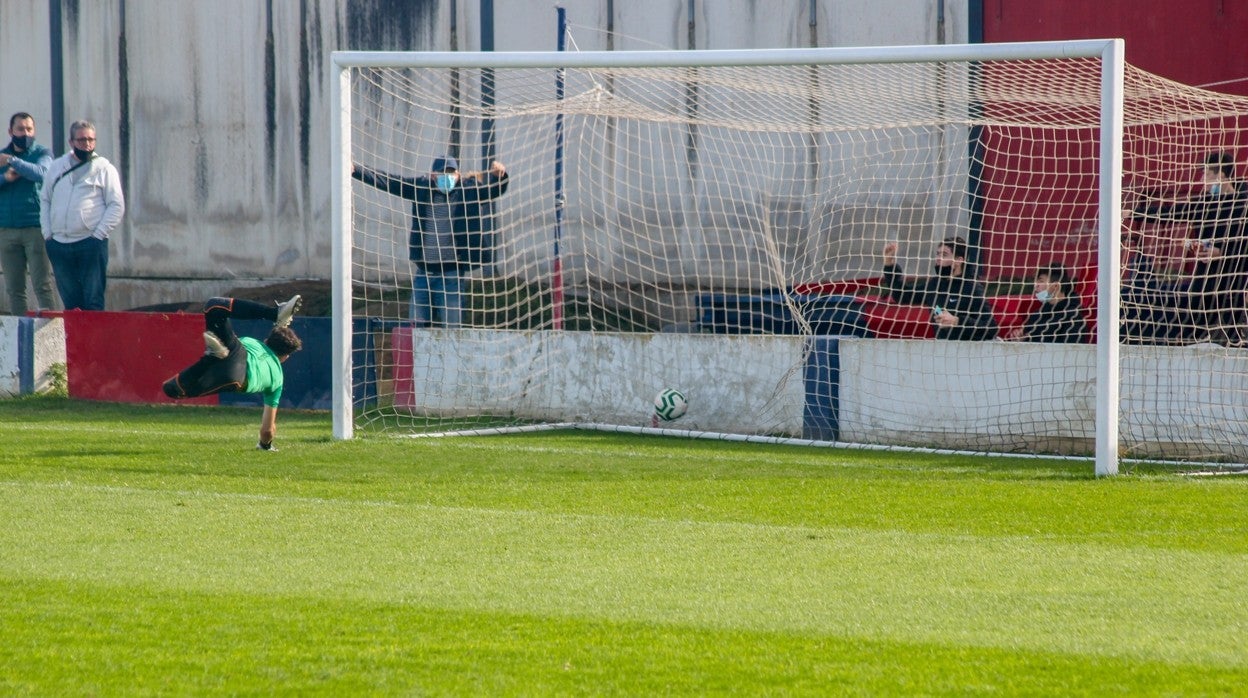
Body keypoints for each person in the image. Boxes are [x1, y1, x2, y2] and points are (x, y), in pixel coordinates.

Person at [352, 155, 510, 327]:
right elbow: (390, 182)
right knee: (417, 328)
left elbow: (492, 191)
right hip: (424, 274)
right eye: (442, 173)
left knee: (452, 329)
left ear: (458, 174)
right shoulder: (421, 188)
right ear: (433, 175)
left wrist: (499, 177)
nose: (447, 177)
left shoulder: (468, 190)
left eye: (451, 173)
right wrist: (357, 170)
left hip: (451, 274)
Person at [1132, 151, 1248, 345]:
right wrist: (1133, 213)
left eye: (1205, 173)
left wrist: (1222, 253)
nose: (1202, 179)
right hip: (1203, 281)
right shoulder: (1204, 204)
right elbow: (1170, 213)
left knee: (1231, 333)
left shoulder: (1243, 206)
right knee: (1189, 323)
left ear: (1220, 175)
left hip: (1232, 283)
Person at [162, 295, 303, 450]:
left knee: (214, 306)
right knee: (172, 389)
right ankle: (213, 356)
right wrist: (265, 445)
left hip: (235, 353)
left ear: (266, 341)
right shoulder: (278, 378)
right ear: (286, 357)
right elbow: (267, 430)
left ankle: (273, 314)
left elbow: (229, 343)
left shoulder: (252, 341)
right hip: (236, 379)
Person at [39, 120, 125, 311]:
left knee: (93, 300)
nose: (86, 144)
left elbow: (116, 205)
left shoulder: (105, 169)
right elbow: (45, 200)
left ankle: (95, 341)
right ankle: (75, 342)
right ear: (71, 142)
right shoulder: (57, 167)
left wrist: (98, 235)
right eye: (81, 140)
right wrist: (48, 235)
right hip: (59, 244)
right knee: (71, 303)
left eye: (90, 140)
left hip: (90, 242)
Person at [880, 235, 999, 340]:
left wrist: (957, 321)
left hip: (969, 354)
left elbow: (991, 327)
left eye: (944, 255)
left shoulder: (972, 287)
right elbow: (902, 296)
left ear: (958, 261)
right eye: (938, 254)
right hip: (943, 352)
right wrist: (889, 264)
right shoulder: (934, 285)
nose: (938, 258)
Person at [0, 112, 56, 314]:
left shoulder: (42, 153)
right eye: (20, 129)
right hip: (6, 230)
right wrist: (6, 178)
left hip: (34, 228)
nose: (25, 133)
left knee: (42, 284)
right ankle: (18, 334)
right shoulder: (1, 156)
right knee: (14, 289)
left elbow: (41, 173)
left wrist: (13, 162)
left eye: (29, 129)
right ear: (10, 131)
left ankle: (51, 334)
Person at [1003, 262, 1089, 343]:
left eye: (1041, 281)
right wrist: (1020, 337)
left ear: (1055, 286)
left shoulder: (1073, 316)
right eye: (1036, 281)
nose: (1035, 285)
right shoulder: (1037, 315)